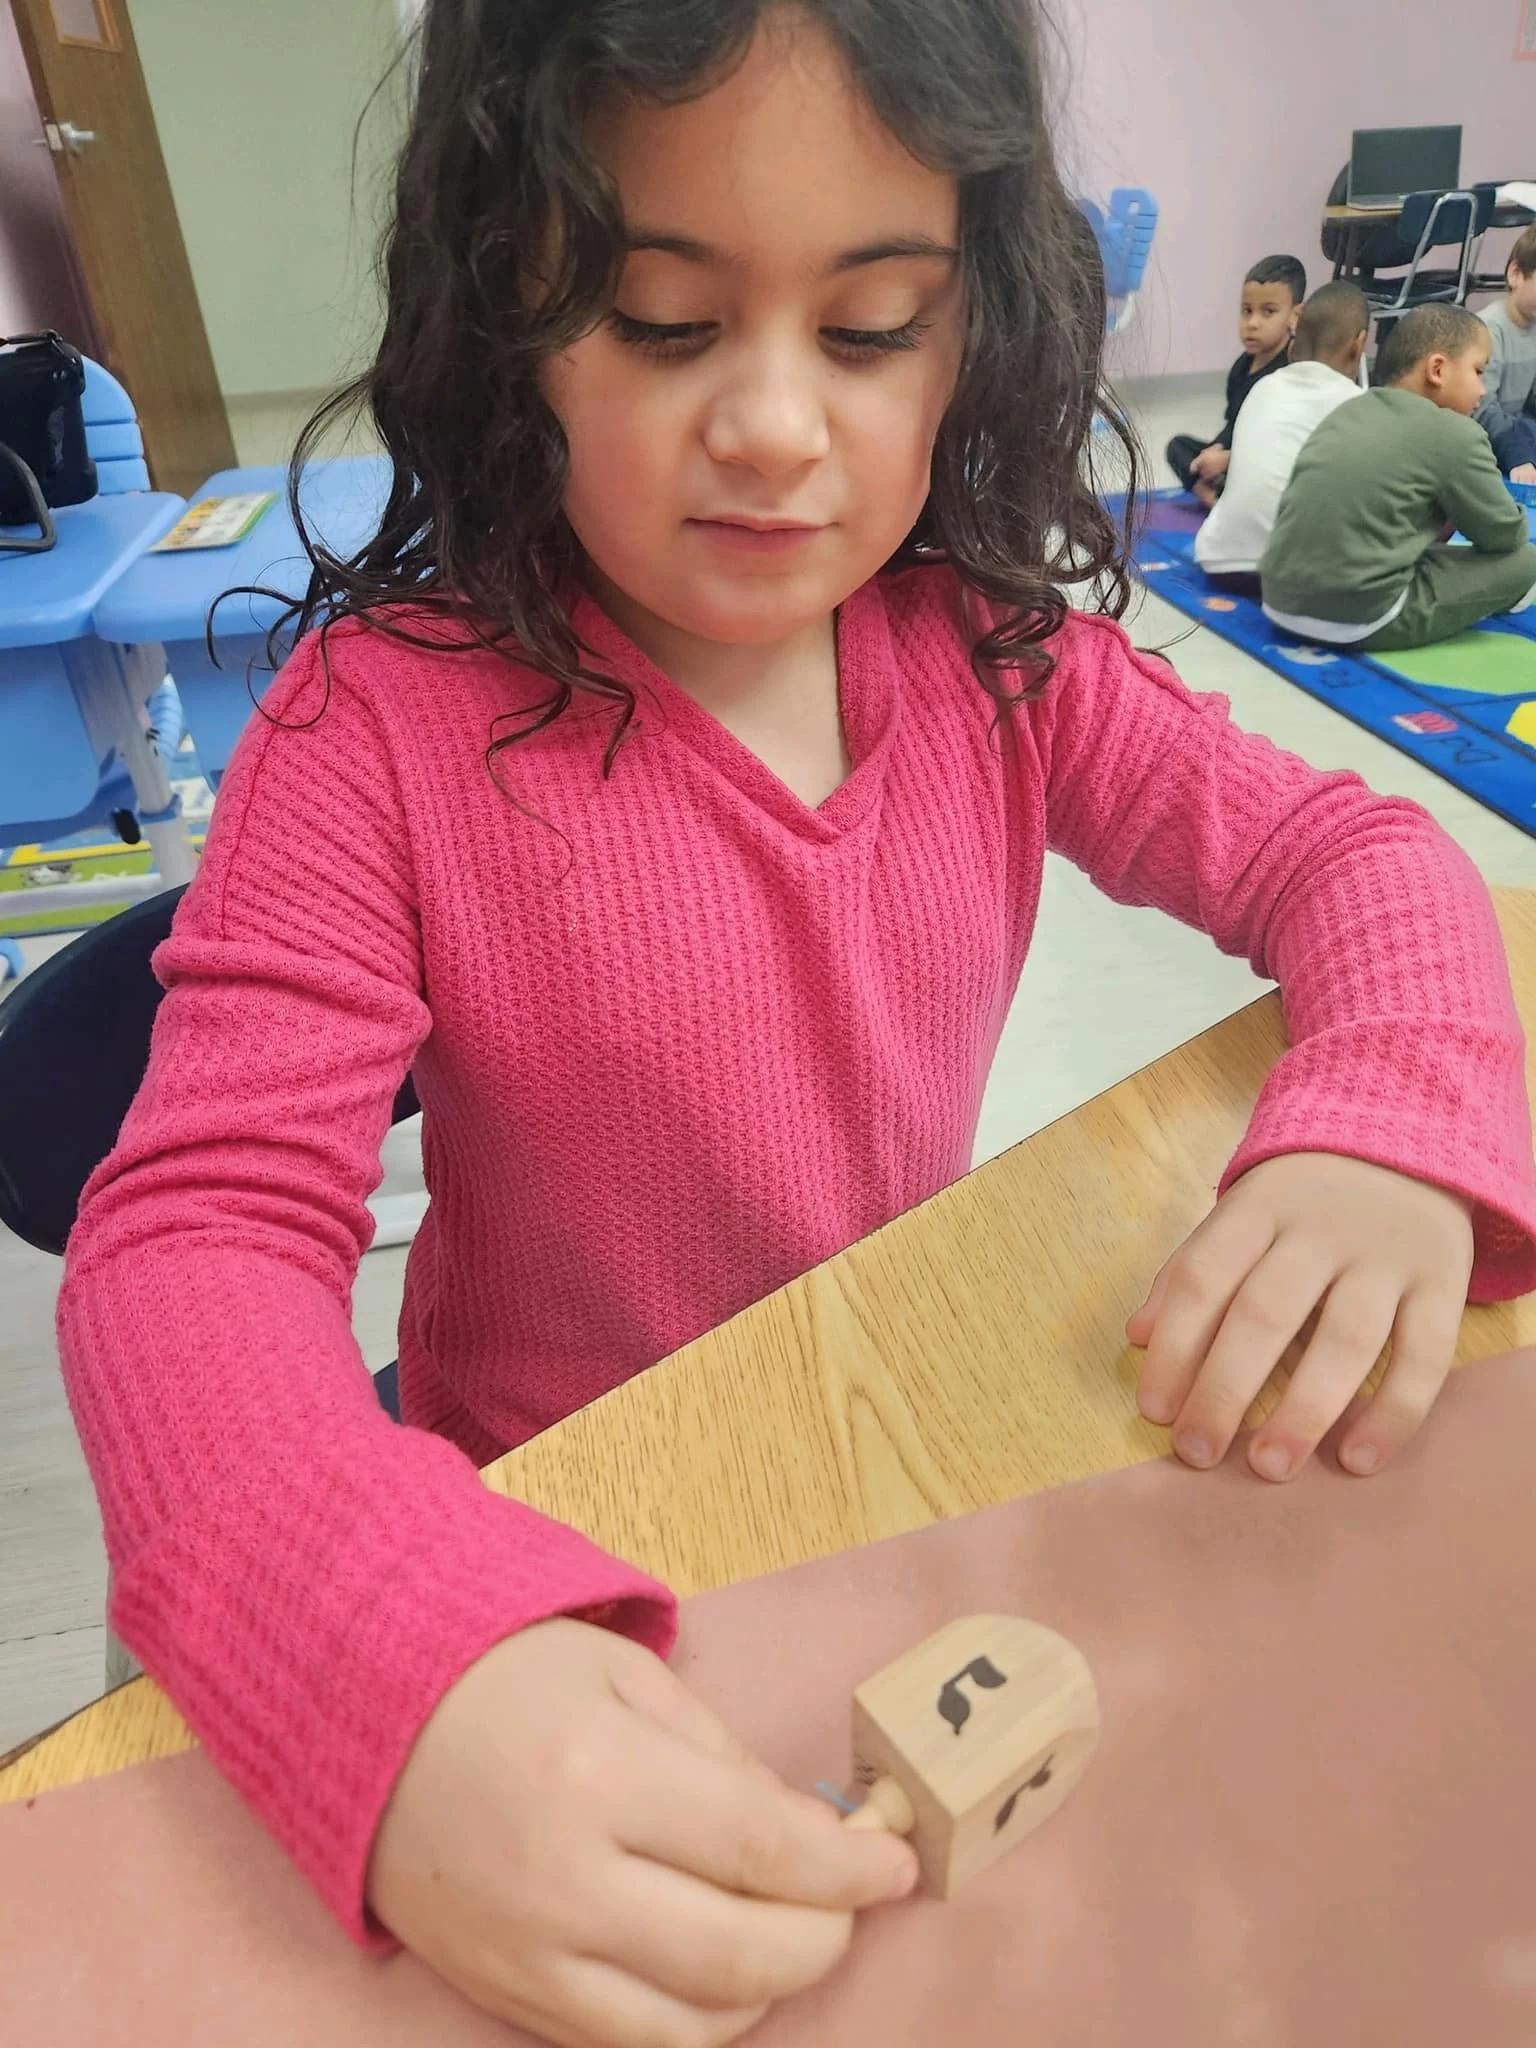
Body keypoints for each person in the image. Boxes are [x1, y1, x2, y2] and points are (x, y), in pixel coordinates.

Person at [57, 5, 1536, 2044]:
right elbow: (191, 1245)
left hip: (882, 1457)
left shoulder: (1006, 661)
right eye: (664, 324)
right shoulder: (373, 731)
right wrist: (374, 1652)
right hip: (552, 1532)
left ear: (972, 337)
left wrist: (1386, 1107)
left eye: (867, 331)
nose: (771, 424)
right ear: (516, 322)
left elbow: (1360, 858)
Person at [1262, 304, 1536, 651]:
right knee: (1526, 561)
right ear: (1437, 369)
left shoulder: (1346, 410)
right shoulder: (1455, 433)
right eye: (1478, 371)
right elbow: (1505, 536)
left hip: (1278, 601)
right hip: (1359, 617)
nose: (1482, 390)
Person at [1194, 280, 1369, 592]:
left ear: (1293, 341)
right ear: (1359, 345)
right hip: (1288, 572)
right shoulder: (1357, 404)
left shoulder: (1263, 386)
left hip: (1218, 561)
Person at [1165, 254, 1305, 506]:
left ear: (1294, 316)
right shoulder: (1241, 367)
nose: (1252, 323)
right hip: (1236, 460)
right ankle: (1214, 500)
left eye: (1268, 312)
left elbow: (1282, 445)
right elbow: (1234, 423)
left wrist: (1229, 458)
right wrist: (1216, 451)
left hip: (1268, 463)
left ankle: (1230, 500)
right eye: (1246, 311)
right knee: (1178, 447)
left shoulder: (1290, 370)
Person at [1475, 224, 1536, 484]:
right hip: (1485, 437)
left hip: (1519, 426)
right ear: (1515, 274)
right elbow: (1481, 408)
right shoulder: (1487, 330)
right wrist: (1519, 455)